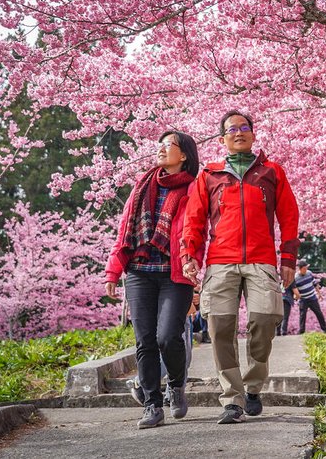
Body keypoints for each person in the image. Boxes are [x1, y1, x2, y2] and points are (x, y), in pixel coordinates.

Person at [181, 110, 299, 425]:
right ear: (223, 138)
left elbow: (289, 216)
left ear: (253, 134)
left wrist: (288, 258)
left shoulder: (272, 171)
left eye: (244, 127)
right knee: (220, 328)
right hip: (220, 261)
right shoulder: (209, 174)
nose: (238, 132)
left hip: (262, 260)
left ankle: (253, 387)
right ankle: (232, 399)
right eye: (232, 129)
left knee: (265, 320)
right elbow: (194, 219)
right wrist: (190, 255)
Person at [104, 131, 202, 429]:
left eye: (168, 145)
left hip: (175, 273)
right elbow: (124, 229)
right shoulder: (143, 185)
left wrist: (193, 261)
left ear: (183, 155)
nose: (160, 149)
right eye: (159, 144)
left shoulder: (194, 188)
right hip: (139, 271)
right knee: (144, 340)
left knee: (168, 337)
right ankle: (152, 404)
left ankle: (176, 384)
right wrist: (113, 271)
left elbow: (196, 230)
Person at [294, 259, 326, 334]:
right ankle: (301, 331)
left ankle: (325, 329)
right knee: (302, 315)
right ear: (300, 269)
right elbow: (294, 289)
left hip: (312, 297)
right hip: (303, 299)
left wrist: (319, 294)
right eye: (304, 269)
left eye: (306, 268)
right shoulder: (296, 278)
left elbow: (315, 283)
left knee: (319, 313)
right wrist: (296, 296)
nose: (305, 270)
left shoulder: (309, 273)